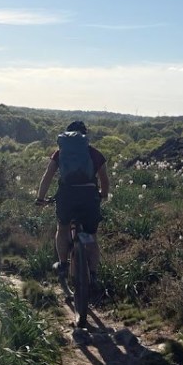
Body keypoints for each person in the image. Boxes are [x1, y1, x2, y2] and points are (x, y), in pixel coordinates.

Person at [35, 120, 110, 291]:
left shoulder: (60, 153)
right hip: (89, 198)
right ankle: (93, 274)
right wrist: (103, 195)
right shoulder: (94, 153)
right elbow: (104, 180)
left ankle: (63, 264)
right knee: (91, 236)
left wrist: (40, 198)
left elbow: (47, 177)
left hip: (67, 196)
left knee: (63, 228)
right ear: (85, 136)